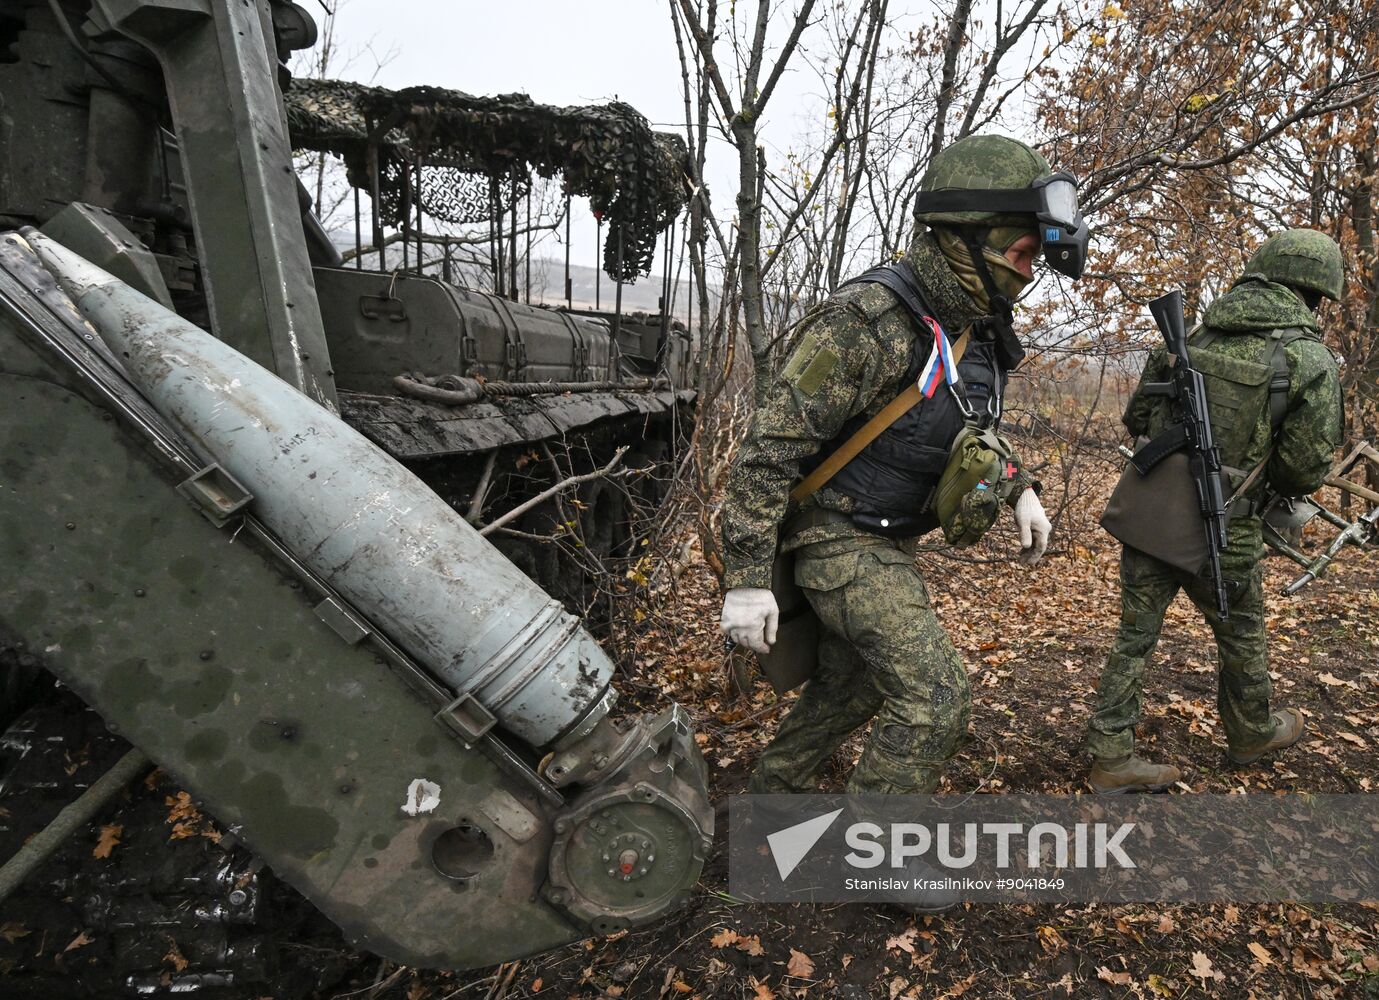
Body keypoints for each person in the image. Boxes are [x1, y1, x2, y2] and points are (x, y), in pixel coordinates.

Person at [718, 134, 1088, 805]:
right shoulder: (863, 322)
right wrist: (746, 579)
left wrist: (1017, 489)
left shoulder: (971, 327)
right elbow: (766, 451)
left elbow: (967, 433)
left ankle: (772, 793)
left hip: (886, 538)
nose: (1028, 272)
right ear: (966, 237)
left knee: (855, 683)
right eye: (1020, 253)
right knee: (935, 693)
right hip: (837, 537)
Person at [1087, 229, 1346, 793]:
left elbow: (1137, 420)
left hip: (1155, 512)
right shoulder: (1309, 360)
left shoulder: (1196, 334)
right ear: (1314, 292)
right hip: (1227, 524)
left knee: (1134, 635)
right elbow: (1303, 470)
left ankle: (1109, 752)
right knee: (1241, 632)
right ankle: (1251, 731)